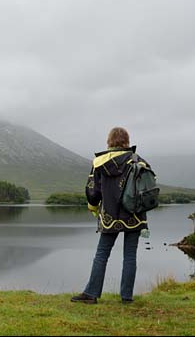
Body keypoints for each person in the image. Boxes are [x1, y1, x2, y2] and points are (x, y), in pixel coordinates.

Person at [71, 127, 151, 304]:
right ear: (127, 141)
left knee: (102, 254)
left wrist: (92, 207)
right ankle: (127, 297)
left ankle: (91, 294)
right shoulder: (138, 160)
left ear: (109, 141)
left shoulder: (99, 162)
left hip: (109, 216)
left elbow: (93, 191)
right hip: (135, 215)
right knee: (130, 255)